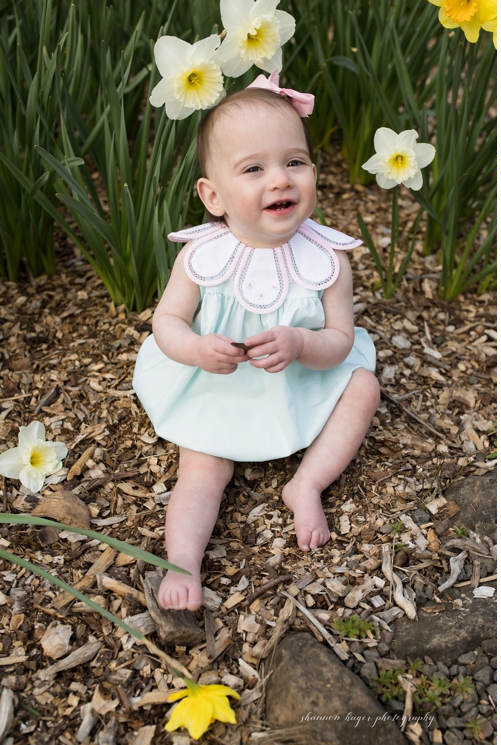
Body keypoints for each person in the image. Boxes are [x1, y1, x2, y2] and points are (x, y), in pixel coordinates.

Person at [133, 76, 381, 612]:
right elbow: (167, 323)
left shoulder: (328, 260)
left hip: (300, 379)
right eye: (254, 169)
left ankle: (307, 484)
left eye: (295, 162)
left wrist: (300, 342)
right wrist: (197, 350)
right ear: (213, 195)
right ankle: (184, 560)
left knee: (363, 387)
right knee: (201, 468)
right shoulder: (202, 257)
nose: (280, 181)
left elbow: (339, 341)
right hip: (218, 384)